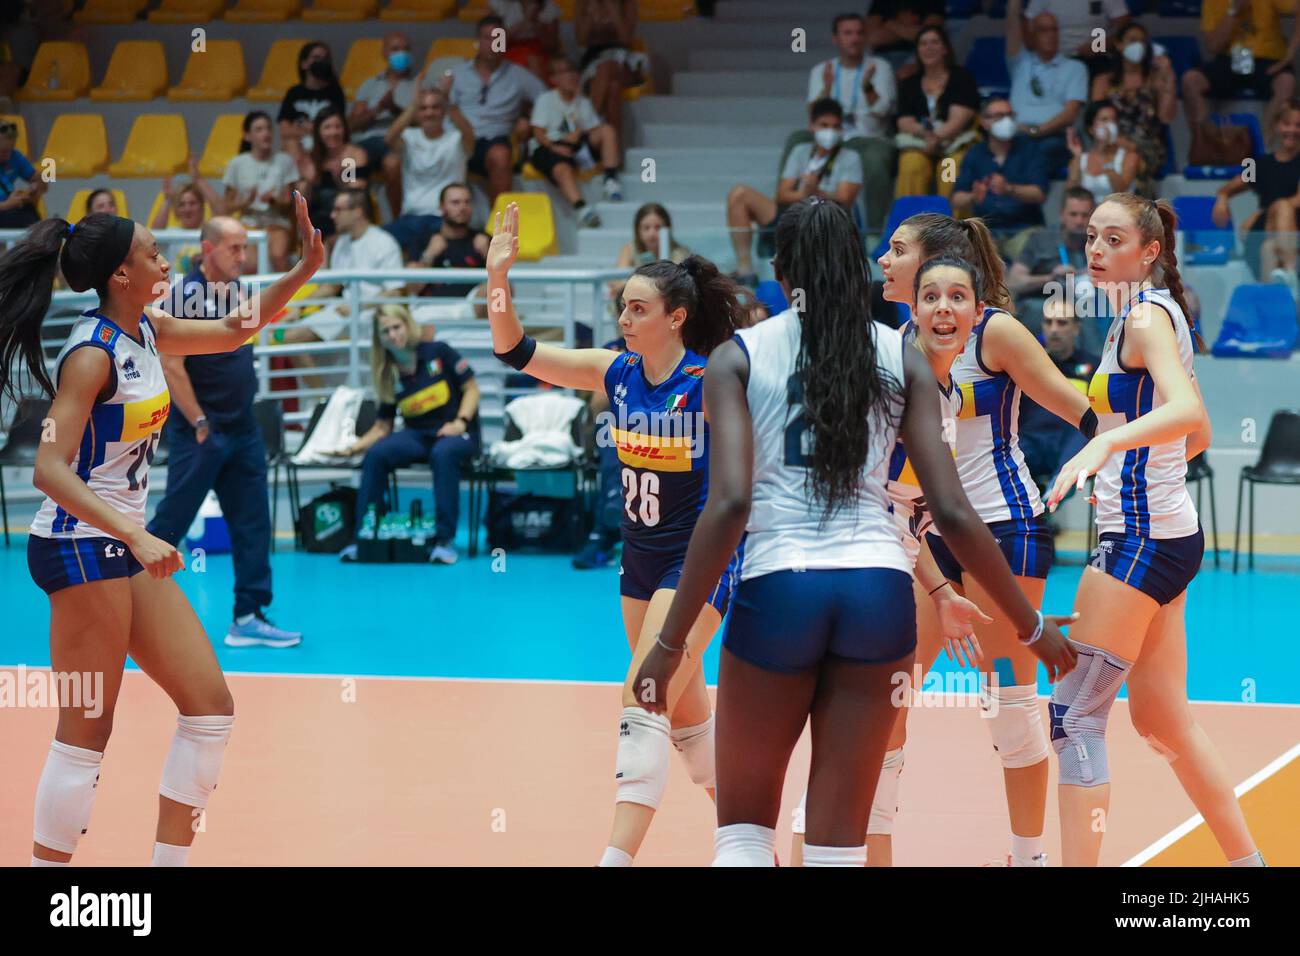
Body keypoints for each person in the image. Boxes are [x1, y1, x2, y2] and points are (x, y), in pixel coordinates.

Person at [632, 199, 1076, 867]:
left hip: (780, 590)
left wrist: (668, 645)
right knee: (842, 841)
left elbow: (725, 507)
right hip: (879, 593)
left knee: (747, 834)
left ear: (781, 271)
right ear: (854, 266)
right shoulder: (901, 354)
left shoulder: (737, 356)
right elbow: (952, 511)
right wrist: (1031, 626)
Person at [0, 191, 322, 867]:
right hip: (76, 545)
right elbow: (49, 470)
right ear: (121, 274)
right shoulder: (91, 356)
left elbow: (236, 329)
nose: (164, 257)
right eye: (152, 250)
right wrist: (137, 533)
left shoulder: (148, 328)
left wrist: (304, 271)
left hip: (116, 542)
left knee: (209, 707)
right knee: (87, 731)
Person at [486, 201, 747, 866]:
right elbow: (517, 351)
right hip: (639, 561)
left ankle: (614, 859)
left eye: (636, 309)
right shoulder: (615, 371)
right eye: (623, 308)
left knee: (644, 694)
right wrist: (498, 279)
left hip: (697, 561)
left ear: (675, 317)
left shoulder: (711, 379)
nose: (623, 318)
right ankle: (756, 842)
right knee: (687, 716)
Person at [1043, 193, 1264, 868]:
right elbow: (1195, 434)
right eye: (1092, 238)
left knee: (1073, 716)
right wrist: (1145, 463)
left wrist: (1105, 450)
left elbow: (1187, 409)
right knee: (1163, 720)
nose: (1097, 249)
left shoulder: (1143, 317)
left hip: (1140, 543)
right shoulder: (1145, 320)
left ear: (1150, 253)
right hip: (1167, 536)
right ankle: (1247, 866)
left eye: (1115, 239)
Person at [874, 211, 1092, 867]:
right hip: (927, 537)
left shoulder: (994, 331)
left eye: (898, 249)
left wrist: (1141, 429)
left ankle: (1027, 858)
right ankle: (859, 844)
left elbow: (1076, 405)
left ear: (936, 260)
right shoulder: (895, 342)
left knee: (1008, 704)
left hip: (1003, 528)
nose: (884, 259)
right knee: (887, 703)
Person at [147, 216, 302, 648]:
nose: (244, 257)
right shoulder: (182, 297)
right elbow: (172, 366)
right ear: (208, 249)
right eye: (235, 248)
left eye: (246, 248)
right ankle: (134, 607)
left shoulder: (240, 294)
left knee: (253, 523)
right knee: (169, 525)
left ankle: (248, 616)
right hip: (200, 432)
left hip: (243, 429)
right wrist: (198, 421)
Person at [333, 305, 480, 565]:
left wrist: (460, 422)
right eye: (385, 331)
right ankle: (365, 536)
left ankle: (444, 541)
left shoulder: (439, 352)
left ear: (407, 325)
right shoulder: (388, 373)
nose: (393, 334)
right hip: (417, 435)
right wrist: (353, 448)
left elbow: (471, 389)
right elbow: (383, 427)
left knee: (443, 454)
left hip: (457, 433)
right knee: (377, 455)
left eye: (396, 327)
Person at [726, 98, 862, 286]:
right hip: (794, 214)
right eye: (824, 125)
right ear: (812, 126)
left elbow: (845, 200)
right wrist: (804, 192)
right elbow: (782, 195)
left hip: (828, 220)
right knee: (739, 194)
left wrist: (816, 191)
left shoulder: (850, 157)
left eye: (835, 126)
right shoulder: (800, 151)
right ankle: (745, 270)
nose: (830, 131)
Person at [279, 189, 404, 380]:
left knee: (293, 338)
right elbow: (332, 286)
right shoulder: (342, 243)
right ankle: (322, 400)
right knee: (289, 338)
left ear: (358, 212)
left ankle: (320, 399)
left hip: (373, 313)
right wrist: (298, 308)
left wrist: (358, 305)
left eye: (338, 210)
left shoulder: (384, 243)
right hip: (344, 311)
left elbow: (396, 292)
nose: (332, 215)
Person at [436, 15, 547, 204]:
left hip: (496, 139)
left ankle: (498, 228)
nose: (494, 43)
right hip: (459, 139)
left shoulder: (518, 75)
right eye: (488, 38)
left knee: (500, 155)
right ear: (478, 42)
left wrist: (528, 119)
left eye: (499, 38)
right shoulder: (457, 73)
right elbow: (445, 110)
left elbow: (547, 100)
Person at [806, 13, 897, 230]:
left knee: (876, 160)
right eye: (847, 33)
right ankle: (779, 226)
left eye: (859, 33)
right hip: (834, 136)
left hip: (870, 138)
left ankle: (875, 229)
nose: (854, 39)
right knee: (796, 141)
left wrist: (867, 87)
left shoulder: (880, 67)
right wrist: (827, 90)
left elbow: (884, 111)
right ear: (835, 39)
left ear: (866, 37)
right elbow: (813, 113)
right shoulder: (821, 70)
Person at [1212, 99, 1300, 292]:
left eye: (1298, 125)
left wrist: (1264, 213)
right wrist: (1222, 199)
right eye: (1287, 124)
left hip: (1294, 228)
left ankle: (1290, 273)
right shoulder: (1259, 164)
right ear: (1277, 126)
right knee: (1267, 248)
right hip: (1266, 230)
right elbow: (1228, 188)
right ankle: (1281, 297)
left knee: (1281, 211)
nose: (1292, 130)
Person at [1018, 297, 1099, 499]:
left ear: (1076, 328)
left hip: (1070, 443)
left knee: (1083, 434)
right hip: (1031, 442)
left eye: (1062, 323)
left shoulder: (1095, 366)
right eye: (1048, 322)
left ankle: (1052, 497)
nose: (1054, 329)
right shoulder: (1027, 364)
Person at [383, 82, 474, 262]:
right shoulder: (409, 136)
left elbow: (470, 135)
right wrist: (413, 106)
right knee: (377, 242)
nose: (430, 113)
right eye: (423, 108)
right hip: (410, 218)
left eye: (435, 107)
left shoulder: (456, 139)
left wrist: (448, 103)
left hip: (444, 220)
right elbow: (389, 139)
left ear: (443, 111)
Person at [529, 55, 624, 226]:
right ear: (554, 79)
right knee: (561, 167)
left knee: (607, 131)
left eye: (573, 72)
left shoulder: (583, 101)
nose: (571, 76)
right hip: (549, 146)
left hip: (576, 143)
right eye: (565, 73)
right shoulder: (546, 99)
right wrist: (554, 147)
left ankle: (611, 180)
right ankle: (582, 209)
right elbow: (538, 132)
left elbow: (594, 128)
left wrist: (579, 125)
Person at [951, 97, 1050, 259]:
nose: (1007, 120)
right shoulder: (975, 154)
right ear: (984, 122)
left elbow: (1039, 194)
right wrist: (973, 196)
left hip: (1024, 229)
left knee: (1033, 256)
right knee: (962, 256)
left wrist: (1009, 189)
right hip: (985, 231)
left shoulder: (1030, 149)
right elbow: (957, 199)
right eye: (999, 116)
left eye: (1010, 115)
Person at [1182, 0, 1297, 137]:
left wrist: (1289, 55)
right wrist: (1233, 11)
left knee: (1286, 82)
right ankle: (1206, 142)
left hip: (1267, 59)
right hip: (1229, 58)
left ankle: (1265, 142)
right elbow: (1212, 47)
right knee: (1190, 80)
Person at [1089, 21, 1178, 193]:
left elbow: (1166, 117)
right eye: (1132, 40)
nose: (1138, 45)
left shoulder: (1154, 79)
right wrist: (1118, 141)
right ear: (1119, 44)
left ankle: (1137, 211)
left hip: (1147, 146)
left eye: (1142, 41)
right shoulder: (1103, 80)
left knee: (1135, 160)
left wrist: (1168, 78)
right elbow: (1095, 119)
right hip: (1110, 141)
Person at [893, 25, 980, 199]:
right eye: (923, 44)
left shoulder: (961, 78)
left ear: (945, 48)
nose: (929, 48)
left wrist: (937, 138)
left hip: (953, 145)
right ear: (917, 50)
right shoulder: (909, 83)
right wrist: (926, 136)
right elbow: (904, 122)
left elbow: (958, 119)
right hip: (920, 144)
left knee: (950, 170)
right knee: (910, 164)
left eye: (934, 42)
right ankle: (909, 224)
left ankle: (952, 225)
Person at [1009, 186, 1101, 343]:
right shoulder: (1040, 240)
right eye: (1073, 214)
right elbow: (1015, 282)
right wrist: (1050, 277)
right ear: (1062, 215)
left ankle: (1097, 362)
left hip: (1085, 303)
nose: (1079, 221)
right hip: (1042, 304)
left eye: (1084, 215)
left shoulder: (1099, 242)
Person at [1007, 0, 1087, 174]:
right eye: (1044, 30)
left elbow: (1070, 114)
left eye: (1054, 30)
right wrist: (1014, 6)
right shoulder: (1020, 63)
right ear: (1032, 35)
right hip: (1018, 134)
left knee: (1032, 152)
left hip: (1054, 137)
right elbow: (1012, 26)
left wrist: (1036, 131)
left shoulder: (1075, 67)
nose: (1051, 35)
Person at [350, 32, 417, 218]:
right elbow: (353, 125)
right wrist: (378, 108)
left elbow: (424, 121)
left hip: (400, 142)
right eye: (395, 49)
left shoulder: (418, 85)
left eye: (405, 49)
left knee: (392, 164)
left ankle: (397, 219)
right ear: (385, 53)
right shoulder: (370, 85)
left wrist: (395, 109)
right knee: (349, 161)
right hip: (369, 141)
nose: (401, 54)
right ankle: (356, 217)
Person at [221, 111, 300, 272]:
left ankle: (285, 296)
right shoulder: (236, 164)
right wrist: (245, 202)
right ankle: (253, 298)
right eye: (259, 129)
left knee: (278, 256)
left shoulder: (284, 161)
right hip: (248, 223)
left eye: (268, 129)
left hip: (277, 223)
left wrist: (274, 200)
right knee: (249, 263)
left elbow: (291, 205)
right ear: (248, 136)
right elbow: (227, 207)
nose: (266, 133)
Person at [575, 0, 649, 140]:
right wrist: (590, 15)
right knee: (613, 89)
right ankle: (613, 155)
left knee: (606, 66)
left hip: (622, 59)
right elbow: (580, 40)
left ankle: (585, 133)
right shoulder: (583, 3)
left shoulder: (627, 3)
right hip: (593, 59)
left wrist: (613, 9)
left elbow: (626, 38)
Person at [411, 183, 491, 307]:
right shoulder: (424, 239)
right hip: (431, 308)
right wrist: (429, 255)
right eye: (455, 202)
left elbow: (504, 287)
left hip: (470, 310)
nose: (463, 207)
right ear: (442, 207)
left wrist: (488, 255)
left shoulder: (484, 240)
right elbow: (412, 289)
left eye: (467, 202)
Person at [300, 107, 371, 240]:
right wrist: (309, 182)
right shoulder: (310, 158)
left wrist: (341, 175)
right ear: (318, 132)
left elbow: (353, 194)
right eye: (327, 127)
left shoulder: (352, 155)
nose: (333, 132)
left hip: (347, 217)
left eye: (337, 127)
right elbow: (302, 201)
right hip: (319, 220)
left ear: (344, 129)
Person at [609, 202, 690, 315]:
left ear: (668, 229)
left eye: (658, 228)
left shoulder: (679, 253)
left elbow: (676, 287)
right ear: (638, 230)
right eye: (646, 228)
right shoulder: (629, 249)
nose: (652, 233)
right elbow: (616, 283)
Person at [1024, 0, 1130, 80]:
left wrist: (1099, 45)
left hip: (1095, 58)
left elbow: (1124, 25)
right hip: (1056, 58)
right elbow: (1028, 24)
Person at [278, 41, 346, 162]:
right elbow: (284, 130)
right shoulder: (293, 93)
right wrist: (312, 129)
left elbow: (338, 128)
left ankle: (345, 178)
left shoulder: (335, 92)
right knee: (291, 144)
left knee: (351, 155)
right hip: (299, 144)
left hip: (326, 144)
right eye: (316, 58)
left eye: (325, 58)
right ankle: (301, 180)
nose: (321, 62)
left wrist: (304, 127)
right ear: (304, 64)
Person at [1066, 101, 1139, 205]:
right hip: (1088, 217)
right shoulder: (1080, 158)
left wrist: (1103, 153)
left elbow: (1122, 193)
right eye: (1104, 120)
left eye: (1113, 120)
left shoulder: (1130, 157)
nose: (1110, 125)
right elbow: (1070, 194)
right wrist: (1078, 158)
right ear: (1091, 129)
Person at [864, 0, 945, 72]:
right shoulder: (881, 2)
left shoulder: (933, 2)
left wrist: (889, 24)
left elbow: (927, 34)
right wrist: (909, 30)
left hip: (916, 53)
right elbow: (872, 38)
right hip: (882, 56)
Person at [493, 0, 563, 79]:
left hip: (540, 53)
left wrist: (535, 21)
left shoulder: (548, 5)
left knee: (535, 62)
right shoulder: (500, 4)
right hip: (509, 52)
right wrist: (525, 22)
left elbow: (552, 46)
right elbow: (497, 45)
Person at [150, 179, 206, 277]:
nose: (187, 209)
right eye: (182, 205)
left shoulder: (210, 234)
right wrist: (168, 200)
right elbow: (154, 234)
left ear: (201, 207)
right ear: (176, 210)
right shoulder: (171, 234)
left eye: (192, 203)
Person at [0, 117, 45, 229]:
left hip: (10, 212)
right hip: (5, 210)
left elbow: (40, 182)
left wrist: (36, 187)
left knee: (30, 215)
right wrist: (6, 205)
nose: (8, 156)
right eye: (3, 151)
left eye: (11, 150)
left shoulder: (14, 156)